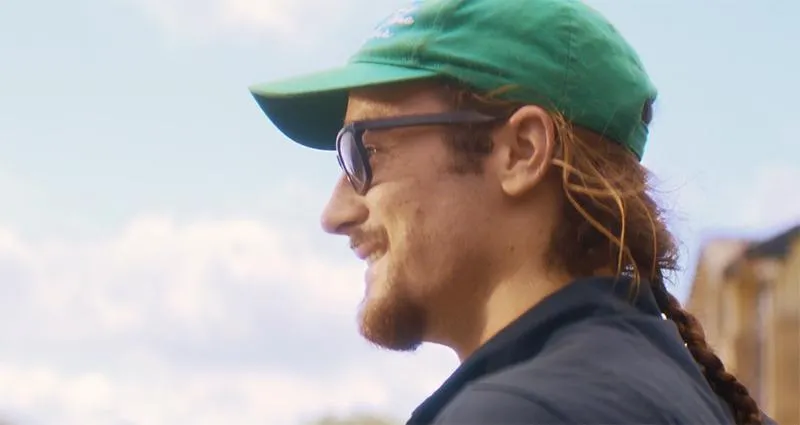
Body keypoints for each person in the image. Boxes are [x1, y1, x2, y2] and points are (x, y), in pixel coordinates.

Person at [248, 1, 776, 424]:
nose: (334, 213)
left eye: (365, 152)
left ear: (521, 152)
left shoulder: (519, 412)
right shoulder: (684, 396)